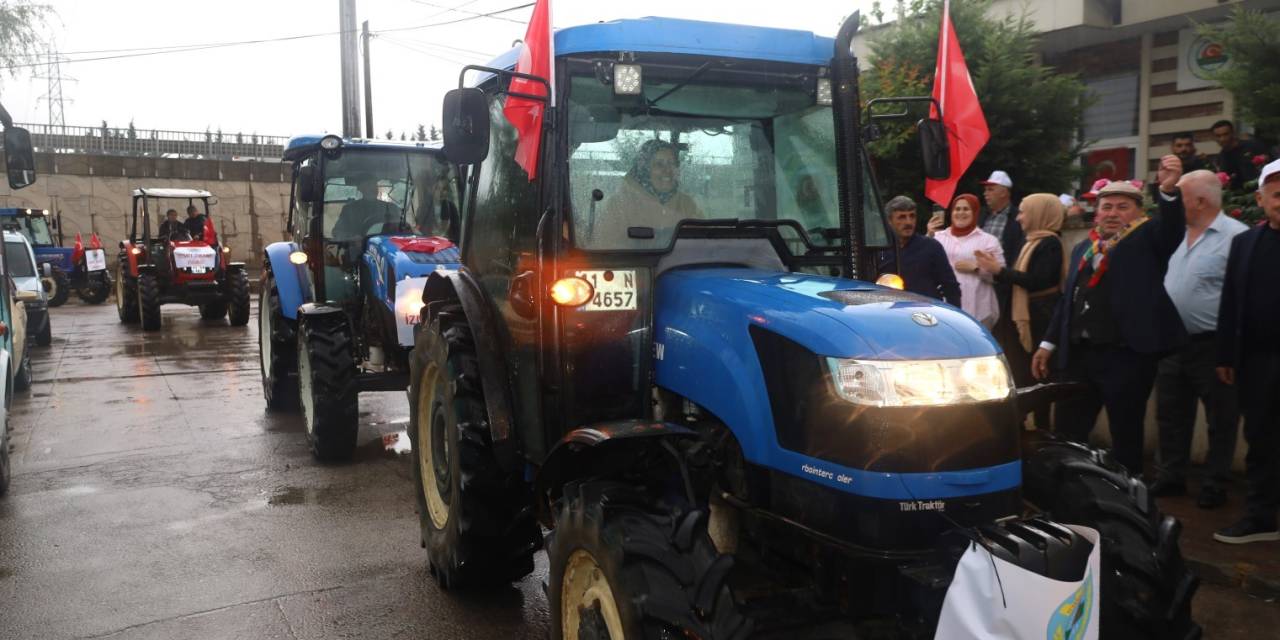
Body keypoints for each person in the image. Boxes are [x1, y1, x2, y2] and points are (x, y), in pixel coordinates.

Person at [1031, 157, 1189, 475]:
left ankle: (1129, 500)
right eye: (1107, 207)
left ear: (1138, 212)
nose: (1113, 213)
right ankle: (1068, 495)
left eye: (1122, 207)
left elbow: (1171, 229)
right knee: (1069, 433)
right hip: (1080, 356)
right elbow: (1068, 300)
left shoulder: (1146, 240)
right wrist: (1048, 344)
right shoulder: (1083, 248)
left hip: (1126, 356)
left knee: (1125, 435)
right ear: (1097, 212)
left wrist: (1169, 190)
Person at [1150, 170, 1248, 508]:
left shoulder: (1238, 238)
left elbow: (1244, 298)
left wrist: (1232, 351)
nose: (1176, 204)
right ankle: (1171, 476)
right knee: (1170, 414)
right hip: (1172, 343)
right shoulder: (1173, 234)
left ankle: (1215, 483)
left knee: (1221, 418)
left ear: (1201, 201)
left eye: (1181, 197)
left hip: (1214, 345)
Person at [1212, 158, 1280, 544]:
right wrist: (1225, 356)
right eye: (1277, 194)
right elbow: (1231, 302)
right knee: (1261, 438)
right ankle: (1261, 516)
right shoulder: (1245, 243)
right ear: (1261, 198)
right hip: (1256, 361)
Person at [975, 193, 1067, 398]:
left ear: (1038, 214)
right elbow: (1020, 278)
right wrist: (994, 270)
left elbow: (1037, 280)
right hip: (1026, 315)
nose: (1018, 218)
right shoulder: (1031, 241)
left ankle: (1040, 426)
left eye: (1024, 212)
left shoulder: (1049, 244)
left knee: (1038, 376)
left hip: (1039, 318)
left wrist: (998, 270)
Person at [596, 139, 701, 243]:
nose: (668, 170)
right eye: (659, 164)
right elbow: (604, 247)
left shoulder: (687, 204)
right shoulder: (619, 204)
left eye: (672, 163)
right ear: (644, 170)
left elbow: (702, 242)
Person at [930, 193, 1002, 327]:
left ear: (975, 212)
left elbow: (1000, 276)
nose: (961, 213)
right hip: (943, 309)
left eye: (966, 209)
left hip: (979, 310)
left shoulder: (988, 241)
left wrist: (976, 269)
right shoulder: (938, 237)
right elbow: (923, 266)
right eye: (957, 209)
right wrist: (928, 235)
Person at [878, 195, 960, 306]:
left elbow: (951, 287)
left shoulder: (932, 247)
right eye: (901, 217)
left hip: (925, 315)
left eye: (912, 216)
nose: (908, 222)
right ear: (889, 221)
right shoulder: (879, 249)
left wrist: (953, 317)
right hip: (887, 313)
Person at [333, 174, 397, 241]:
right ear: (360, 188)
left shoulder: (391, 208)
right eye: (368, 185)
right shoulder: (349, 209)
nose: (373, 188)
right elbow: (337, 232)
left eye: (374, 185)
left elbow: (401, 230)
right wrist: (352, 238)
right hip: (356, 249)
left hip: (385, 246)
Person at [1211, 120, 1268, 191]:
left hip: (1263, 190)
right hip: (1241, 198)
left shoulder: (1252, 146)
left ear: (1233, 133)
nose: (1222, 139)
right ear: (1214, 138)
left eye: (1225, 134)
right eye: (1218, 136)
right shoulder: (1220, 159)